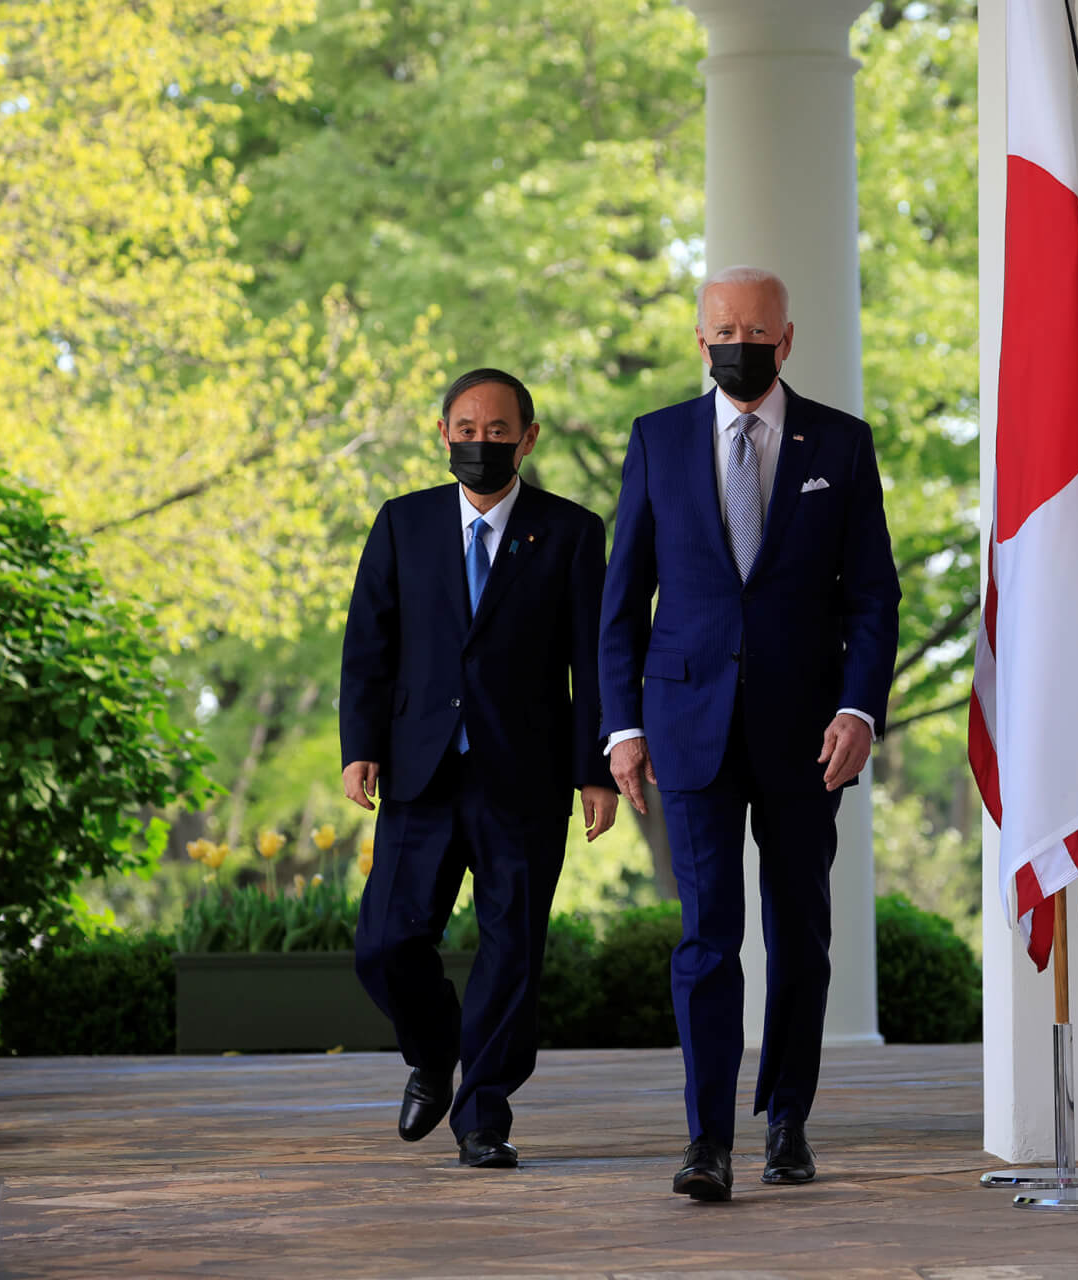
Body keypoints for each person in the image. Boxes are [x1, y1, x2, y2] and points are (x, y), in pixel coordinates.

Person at [599, 266, 901, 1201]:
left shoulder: (841, 447)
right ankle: (706, 1140)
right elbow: (622, 603)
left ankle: (789, 1123)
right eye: (721, 327)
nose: (738, 340)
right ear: (700, 340)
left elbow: (874, 597)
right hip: (688, 724)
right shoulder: (658, 440)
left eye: (754, 328)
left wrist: (858, 709)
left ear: (787, 338)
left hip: (809, 733)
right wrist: (621, 727)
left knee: (800, 932)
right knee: (706, 938)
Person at [340, 368, 619, 1169]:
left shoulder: (571, 532)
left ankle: (483, 1115)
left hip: (524, 780)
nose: (481, 444)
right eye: (466, 430)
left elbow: (592, 660)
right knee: (386, 944)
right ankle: (433, 1057)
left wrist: (595, 768)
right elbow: (369, 646)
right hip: (418, 775)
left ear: (528, 438)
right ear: (442, 435)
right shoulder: (402, 524)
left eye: (498, 431)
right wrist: (360, 746)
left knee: (511, 952)